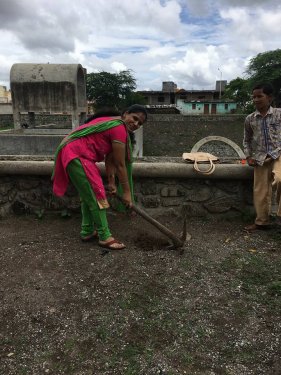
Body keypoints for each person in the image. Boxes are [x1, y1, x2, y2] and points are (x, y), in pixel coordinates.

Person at [52, 104, 148, 249]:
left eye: (139, 123)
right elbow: (121, 165)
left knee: (87, 197)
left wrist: (112, 183)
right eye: (134, 118)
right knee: (98, 196)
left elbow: (110, 159)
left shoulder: (112, 123)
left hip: (74, 154)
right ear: (125, 114)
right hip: (77, 155)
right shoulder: (118, 128)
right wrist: (127, 193)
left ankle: (87, 230)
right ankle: (105, 236)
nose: (135, 124)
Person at [243, 83, 281, 231]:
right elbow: (246, 139)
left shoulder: (279, 114)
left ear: (269, 98)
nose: (256, 99)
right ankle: (261, 222)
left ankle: (279, 216)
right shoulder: (250, 119)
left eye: (260, 96)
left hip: (278, 154)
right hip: (260, 158)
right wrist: (248, 156)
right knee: (260, 191)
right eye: (254, 97)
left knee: (279, 179)